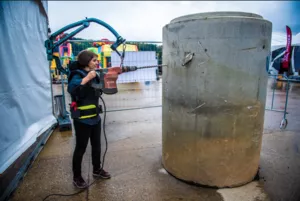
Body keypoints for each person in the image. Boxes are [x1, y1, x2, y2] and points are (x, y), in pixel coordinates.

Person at [67, 50, 111, 189]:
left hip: (95, 118)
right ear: (86, 62)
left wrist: (111, 77)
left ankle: (97, 170)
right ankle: (77, 177)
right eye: (94, 60)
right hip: (82, 120)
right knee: (80, 148)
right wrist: (86, 79)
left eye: (97, 60)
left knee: (97, 146)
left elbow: (101, 88)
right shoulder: (77, 75)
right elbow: (72, 90)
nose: (97, 62)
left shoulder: (95, 75)